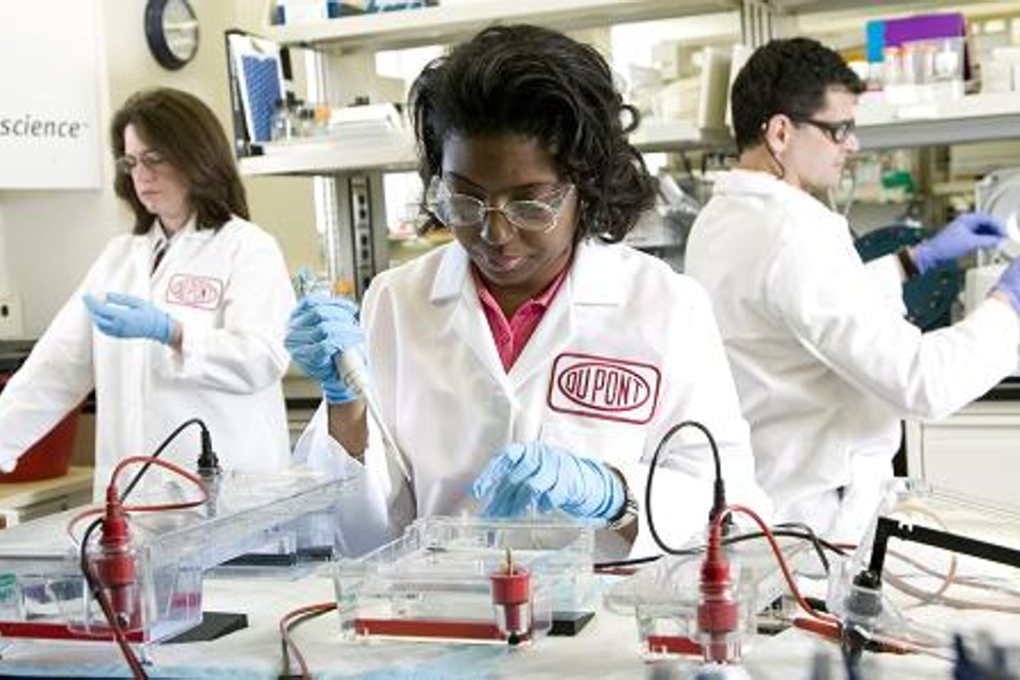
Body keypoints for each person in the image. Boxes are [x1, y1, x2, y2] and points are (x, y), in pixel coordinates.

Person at [287, 25, 771, 559]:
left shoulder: (667, 307)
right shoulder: (397, 301)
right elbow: (359, 536)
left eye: (529, 203)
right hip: (439, 617)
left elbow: (732, 508)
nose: (494, 233)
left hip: (603, 629)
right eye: (466, 201)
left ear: (585, 186)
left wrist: (616, 495)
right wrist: (347, 410)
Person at [685, 37, 1020, 542]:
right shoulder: (796, 229)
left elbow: (801, 310)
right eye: (838, 129)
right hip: (822, 520)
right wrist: (1008, 304)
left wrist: (915, 259)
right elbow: (922, 382)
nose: (853, 145)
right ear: (780, 132)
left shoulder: (720, 218)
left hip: (772, 498)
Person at [0, 87, 295, 492]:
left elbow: (262, 357)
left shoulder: (246, 247)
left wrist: (173, 333)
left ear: (197, 157)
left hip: (230, 498)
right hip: (134, 499)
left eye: (155, 159)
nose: (141, 175)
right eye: (132, 162)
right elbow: (56, 369)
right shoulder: (119, 258)